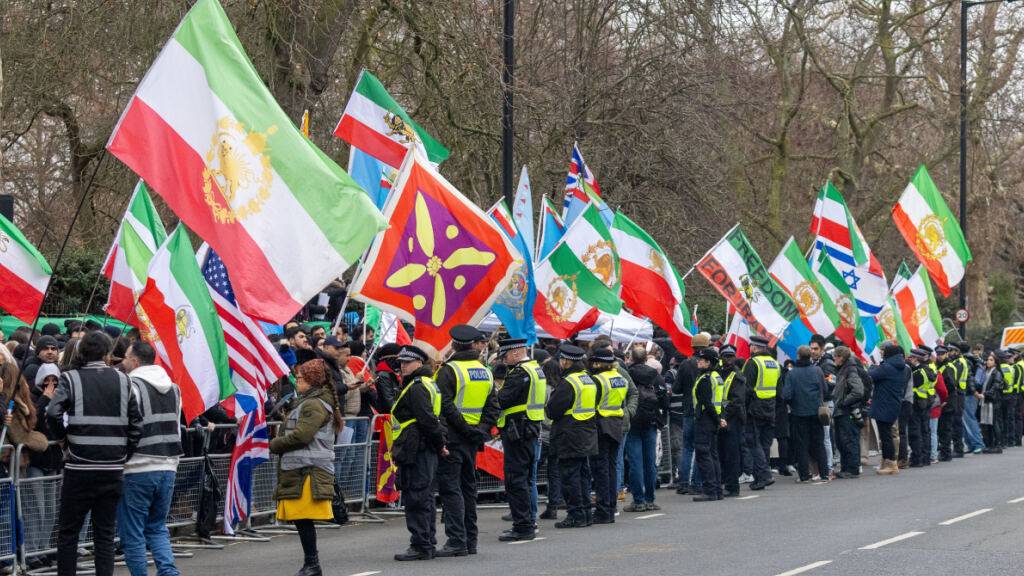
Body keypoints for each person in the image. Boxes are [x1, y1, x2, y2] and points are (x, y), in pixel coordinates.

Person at [45, 331, 143, 576]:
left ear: (80, 352)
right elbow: (137, 423)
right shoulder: (124, 380)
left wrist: (64, 441)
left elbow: (52, 413)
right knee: (105, 535)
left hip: (79, 467)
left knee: (68, 533)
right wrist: (124, 454)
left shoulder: (70, 378)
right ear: (108, 353)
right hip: (112, 468)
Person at [270, 358, 343, 576]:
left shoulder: (313, 404)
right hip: (302, 470)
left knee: (303, 519)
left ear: (311, 381)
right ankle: (311, 564)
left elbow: (303, 435)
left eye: (300, 378)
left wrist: (275, 444)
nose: (296, 382)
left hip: (308, 471)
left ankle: (312, 564)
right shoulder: (310, 401)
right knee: (302, 520)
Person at [117, 342, 182, 576]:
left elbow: (125, 426)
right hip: (168, 464)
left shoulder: (130, 385)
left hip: (138, 466)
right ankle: (168, 572)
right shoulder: (174, 388)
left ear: (134, 361)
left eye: (125, 356)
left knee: (132, 531)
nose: (122, 361)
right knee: (156, 527)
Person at [434, 326, 499, 555]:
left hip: (453, 438)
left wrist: (464, 428)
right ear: (473, 345)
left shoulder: (448, 370)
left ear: (453, 345)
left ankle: (456, 541)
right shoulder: (485, 371)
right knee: (468, 490)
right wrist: (480, 430)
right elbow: (493, 407)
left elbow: (444, 405)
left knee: (452, 490)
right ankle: (471, 541)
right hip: (473, 440)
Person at [391, 346, 447, 561]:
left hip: (417, 449)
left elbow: (427, 420)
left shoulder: (417, 387)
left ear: (419, 363)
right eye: (402, 362)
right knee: (424, 497)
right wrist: (439, 443)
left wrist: (439, 443)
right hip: (421, 447)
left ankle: (421, 545)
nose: (403, 366)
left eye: (407, 362)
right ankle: (426, 542)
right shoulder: (427, 383)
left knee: (416, 497)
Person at [545, 344, 598, 527]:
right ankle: (585, 513)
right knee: (583, 475)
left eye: (561, 360)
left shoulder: (569, 382)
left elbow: (552, 410)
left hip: (569, 434)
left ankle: (575, 514)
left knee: (570, 477)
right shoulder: (588, 379)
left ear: (567, 361)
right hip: (586, 432)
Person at [496, 338, 545, 539]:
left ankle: (522, 526)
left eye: (505, 355)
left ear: (516, 352)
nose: (503, 359)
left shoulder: (520, 373)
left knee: (516, 480)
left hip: (519, 430)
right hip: (529, 428)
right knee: (525, 478)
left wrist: (495, 389)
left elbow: (502, 399)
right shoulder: (535, 369)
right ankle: (526, 523)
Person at [624, 345, 667, 512]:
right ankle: (650, 499)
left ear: (632, 358)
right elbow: (664, 398)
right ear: (646, 358)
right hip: (651, 422)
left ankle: (638, 500)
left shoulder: (628, 374)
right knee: (650, 462)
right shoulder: (654, 375)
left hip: (633, 422)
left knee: (635, 463)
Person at [588, 347, 627, 522]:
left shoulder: (597, 380)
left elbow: (592, 404)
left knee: (601, 469)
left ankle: (603, 509)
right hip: (616, 424)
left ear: (599, 363)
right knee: (611, 468)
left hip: (601, 425)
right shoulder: (620, 378)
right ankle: (611, 507)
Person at [782, 345, 829, 484]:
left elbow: (787, 394)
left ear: (798, 356)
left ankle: (804, 475)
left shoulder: (792, 373)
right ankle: (824, 473)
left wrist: (793, 403)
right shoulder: (817, 370)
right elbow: (825, 389)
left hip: (798, 413)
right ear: (810, 356)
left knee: (801, 445)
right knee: (819, 443)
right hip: (816, 412)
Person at [741, 335, 780, 491]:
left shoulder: (753, 362)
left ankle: (764, 474)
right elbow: (779, 388)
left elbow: (747, 388)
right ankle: (760, 479)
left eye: (751, 346)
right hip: (770, 407)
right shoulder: (775, 364)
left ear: (755, 347)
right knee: (764, 444)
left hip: (754, 408)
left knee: (753, 442)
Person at [674, 333, 709, 495]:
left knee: (687, 447)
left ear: (692, 347)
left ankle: (683, 482)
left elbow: (676, 388)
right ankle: (696, 482)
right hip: (702, 411)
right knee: (701, 447)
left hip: (688, 409)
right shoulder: (710, 363)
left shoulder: (686, 364)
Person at [868, 343, 908, 475]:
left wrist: (873, 366)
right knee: (887, 435)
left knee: (886, 436)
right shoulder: (900, 366)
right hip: (892, 403)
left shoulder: (887, 367)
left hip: (884, 404)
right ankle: (886, 461)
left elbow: (871, 375)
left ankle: (890, 463)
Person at [692, 347, 724, 502]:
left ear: (708, 363)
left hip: (705, 419)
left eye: (701, 360)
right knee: (713, 454)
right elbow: (720, 401)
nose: (698, 361)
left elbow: (706, 402)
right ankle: (717, 489)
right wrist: (720, 418)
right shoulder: (717, 376)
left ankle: (710, 490)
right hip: (713, 419)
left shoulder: (705, 379)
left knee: (704, 455)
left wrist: (717, 419)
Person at [716, 345, 747, 497]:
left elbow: (737, 400)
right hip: (720, 418)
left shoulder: (737, 375)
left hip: (733, 419)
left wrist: (724, 416)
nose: (728, 359)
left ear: (734, 357)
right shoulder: (718, 372)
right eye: (725, 356)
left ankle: (732, 486)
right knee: (722, 452)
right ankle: (724, 482)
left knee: (731, 454)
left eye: (730, 356)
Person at [831, 346, 864, 478]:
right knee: (842, 441)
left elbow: (858, 390)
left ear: (841, 357)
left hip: (847, 411)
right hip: (841, 411)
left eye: (835, 357)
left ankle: (852, 469)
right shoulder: (844, 369)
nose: (834, 359)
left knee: (849, 440)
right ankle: (845, 468)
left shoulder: (850, 370)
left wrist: (844, 402)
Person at [907, 348, 936, 467]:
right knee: (925, 431)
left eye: (911, 358)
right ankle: (926, 457)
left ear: (915, 359)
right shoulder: (928, 370)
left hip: (916, 402)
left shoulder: (917, 372)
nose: (910, 359)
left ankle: (917, 458)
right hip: (926, 401)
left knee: (915, 431)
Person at [978, 351, 1005, 454]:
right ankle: (989, 445)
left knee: (994, 423)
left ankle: (998, 445)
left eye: (991, 360)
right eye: (987, 360)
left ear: (995, 362)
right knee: (986, 424)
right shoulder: (986, 372)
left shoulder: (996, 373)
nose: (988, 361)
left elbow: (995, 387)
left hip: (993, 401)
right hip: (985, 401)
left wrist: (985, 394)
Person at [935, 346, 959, 461]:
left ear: (946, 354)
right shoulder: (941, 366)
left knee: (945, 428)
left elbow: (950, 386)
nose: (939, 356)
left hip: (948, 401)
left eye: (942, 353)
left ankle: (946, 453)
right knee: (943, 428)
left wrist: (945, 401)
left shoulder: (947, 367)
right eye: (938, 353)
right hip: (945, 400)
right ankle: (944, 451)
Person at [1000, 348, 1020, 448]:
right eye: (1008, 357)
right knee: (1009, 418)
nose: (1010, 359)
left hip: (1005, 396)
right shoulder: (1013, 368)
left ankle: (1005, 440)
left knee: (1004, 418)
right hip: (1011, 395)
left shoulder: (1002, 368)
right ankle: (1009, 440)